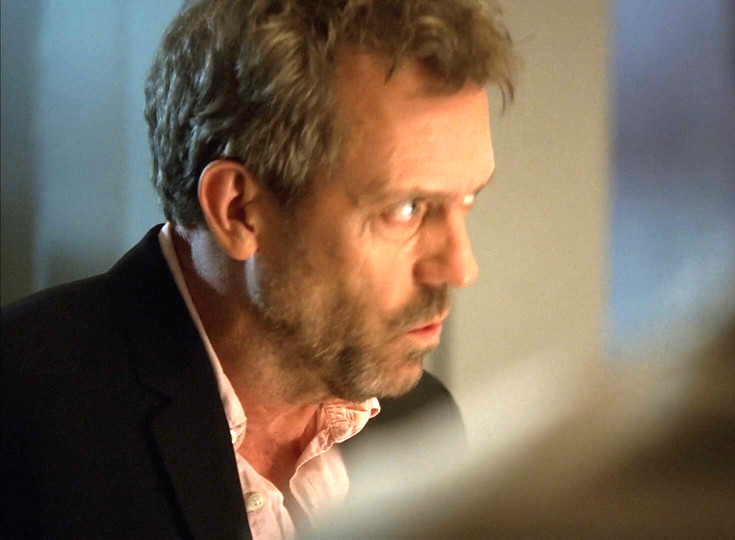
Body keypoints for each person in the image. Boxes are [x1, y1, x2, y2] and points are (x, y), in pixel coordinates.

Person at [1, 0, 516, 537]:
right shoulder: (22, 416)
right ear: (239, 211)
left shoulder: (425, 421)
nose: (460, 268)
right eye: (405, 210)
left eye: (468, 200)